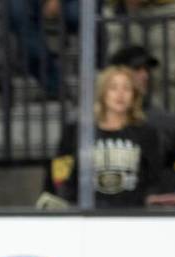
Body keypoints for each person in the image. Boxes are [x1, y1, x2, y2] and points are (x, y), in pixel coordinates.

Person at [50, 65, 162, 207]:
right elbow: (63, 174)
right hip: (87, 216)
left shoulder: (146, 132)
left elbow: (154, 178)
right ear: (103, 93)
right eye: (113, 88)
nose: (120, 94)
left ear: (134, 95)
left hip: (132, 216)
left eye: (126, 88)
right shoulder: (79, 131)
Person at [108, 44, 175, 192]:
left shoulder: (165, 121)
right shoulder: (91, 121)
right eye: (137, 69)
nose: (145, 75)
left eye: (146, 70)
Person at [103, 0, 175, 115]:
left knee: (164, 75)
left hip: (170, 7)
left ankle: (161, 128)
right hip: (120, 8)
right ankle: (124, 125)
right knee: (121, 72)